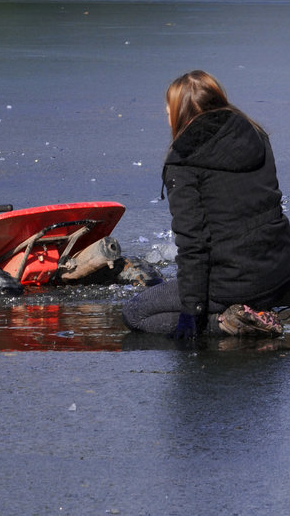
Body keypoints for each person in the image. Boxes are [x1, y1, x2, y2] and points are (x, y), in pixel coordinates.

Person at [123, 70, 290, 338]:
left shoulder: (184, 161)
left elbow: (193, 241)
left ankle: (227, 323)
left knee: (135, 312)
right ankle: (262, 307)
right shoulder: (256, 134)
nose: (167, 116)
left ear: (179, 113)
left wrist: (193, 311)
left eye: (169, 110)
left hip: (232, 281)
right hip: (280, 272)